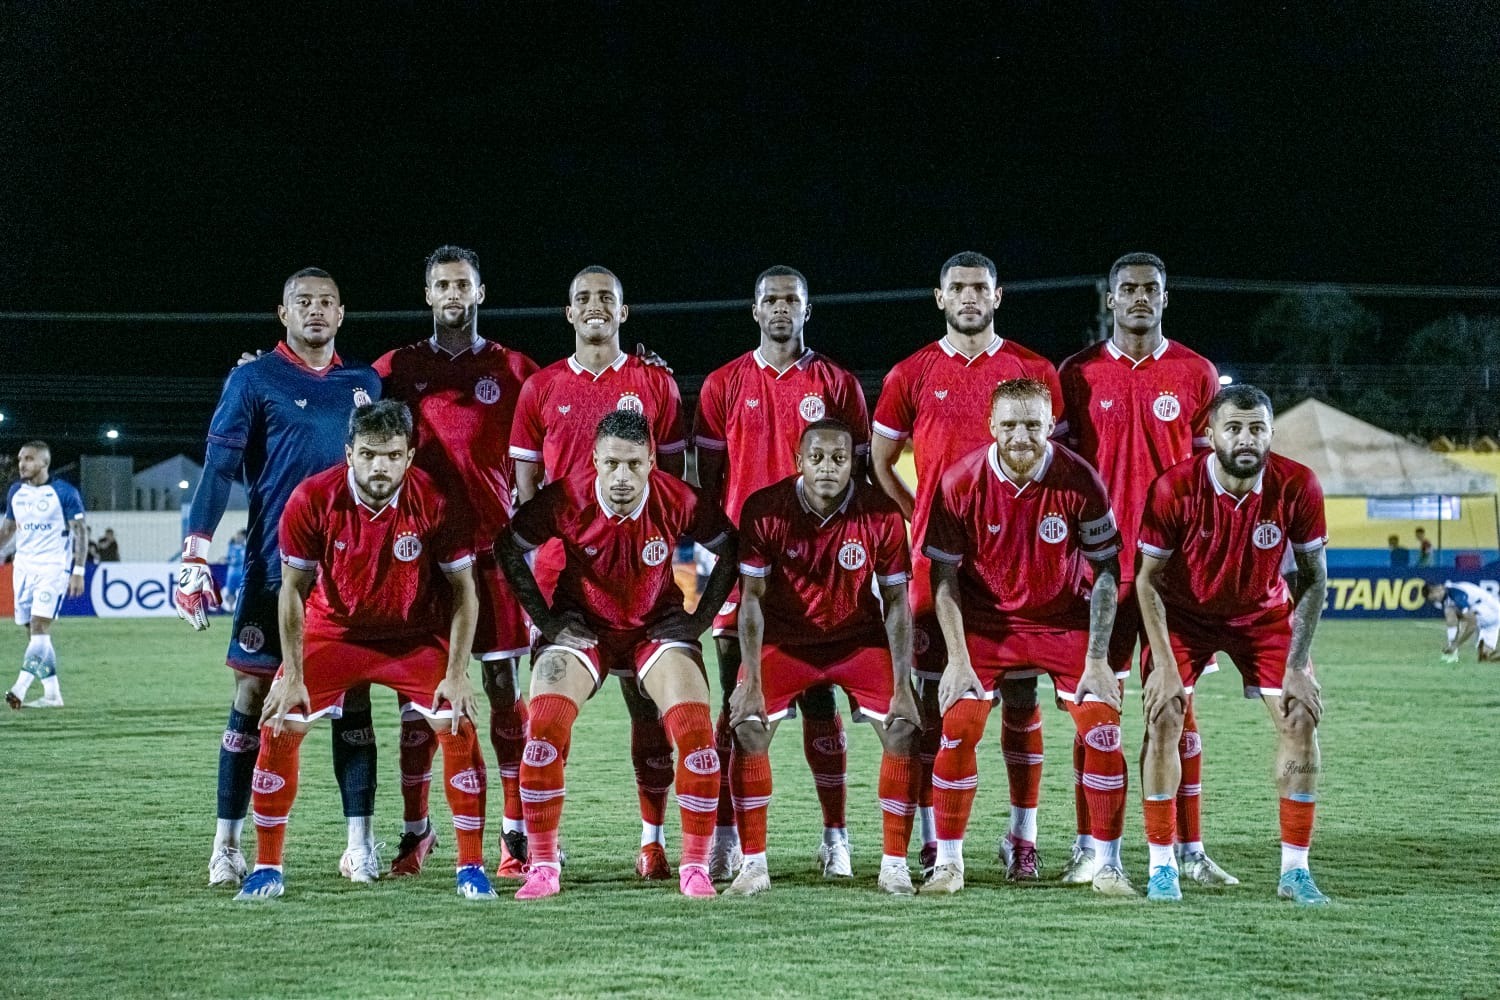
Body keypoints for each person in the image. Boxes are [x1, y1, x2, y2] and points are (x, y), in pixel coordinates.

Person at [236, 401, 495, 902]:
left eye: (393, 455)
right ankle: (267, 867)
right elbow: (291, 591)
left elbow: (465, 593)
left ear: (410, 455)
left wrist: (458, 673)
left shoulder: (436, 502)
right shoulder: (312, 499)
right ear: (349, 453)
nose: (381, 466)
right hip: (335, 633)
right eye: (370, 455)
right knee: (279, 722)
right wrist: (291, 672)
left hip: (412, 637)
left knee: (456, 721)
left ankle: (471, 867)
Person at [176, 267, 385, 890]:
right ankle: (227, 845)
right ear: (283, 313)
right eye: (303, 303)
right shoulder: (253, 378)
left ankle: (360, 845)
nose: (315, 312)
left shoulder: (364, 382)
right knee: (249, 701)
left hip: (350, 574)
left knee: (354, 700)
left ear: (342, 314)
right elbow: (218, 466)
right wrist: (195, 553)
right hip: (272, 569)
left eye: (326, 303)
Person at [869, 251, 1062, 879]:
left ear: (998, 295)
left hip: (1019, 563)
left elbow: (1055, 462)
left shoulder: (1032, 370)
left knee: (1021, 695)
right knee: (934, 698)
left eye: (981, 286)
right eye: (958, 287)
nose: (970, 295)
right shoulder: (911, 373)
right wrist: (918, 513)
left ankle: (1021, 836)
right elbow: (880, 461)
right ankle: (933, 840)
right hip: (940, 563)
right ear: (939, 296)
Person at [497, 410, 738, 899]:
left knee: (697, 738)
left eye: (633, 464)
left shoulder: (679, 500)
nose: (622, 477)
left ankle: (693, 868)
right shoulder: (566, 498)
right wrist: (546, 622)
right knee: (542, 733)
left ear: (652, 460)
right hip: (585, 630)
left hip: (654, 627)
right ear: (595, 461)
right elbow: (507, 546)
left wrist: (698, 619)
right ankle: (543, 865)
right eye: (611, 465)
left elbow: (730, 548)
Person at [1054, 252, 1233, 887]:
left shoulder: (1196, 372)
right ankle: (1089, 848)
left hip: (1173, 574)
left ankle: (1189, 849)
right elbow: (1060, 475)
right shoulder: (1074, 374)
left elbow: (1213, 475)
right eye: (1126, 288)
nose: (1137, 298)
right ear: (1108, 299)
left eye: (1149, 289)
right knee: (1094, 706)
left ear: (1166, 297)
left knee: (1177, 710)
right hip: (1096, 570)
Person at [508, 265, 690, 880]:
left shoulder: (655, 383)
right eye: (582, 298)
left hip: (643, 585)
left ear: (623, 310)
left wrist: (680, 590)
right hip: (569, 592)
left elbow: (672, 490)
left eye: (605, 299)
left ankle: (653, 841)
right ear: (568, 312)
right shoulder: (540, 388)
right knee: (548, 714)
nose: (594, 308)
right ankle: (539, 848)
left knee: (650, 712)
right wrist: (542, 605)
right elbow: (529, 494)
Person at [921, 378, 1132, 896]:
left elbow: (1106, 570)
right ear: (991, 426)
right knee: (960, 724)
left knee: (1103, 729)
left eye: (1033, 425)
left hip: (1061, 621)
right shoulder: (960, 481)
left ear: (1050, 426)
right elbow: (943, 578)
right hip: (987, 626)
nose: (1021, 436)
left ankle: (1108, 864)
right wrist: (957, 659)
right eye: (1010, 425)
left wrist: (1098, 660)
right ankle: (949, 865)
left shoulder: (1078, 479)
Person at [694, 265, 872, 879]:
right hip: (745, 569)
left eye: (790, 300)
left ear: (806, 308)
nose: (779, 309)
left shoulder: (838, 383)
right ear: (754, 308)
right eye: (769, 299)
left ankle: (835, 837)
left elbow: (862, 483)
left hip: (819, 572)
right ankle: (727, 835)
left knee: (821, 697)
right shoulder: (723, 385)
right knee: (734, 704)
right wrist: (699, 576)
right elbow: (707, 493)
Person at [373, 246, 540, 879]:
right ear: (427, 295)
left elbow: (578, 408)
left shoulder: (516, 368)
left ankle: (514, 833)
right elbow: (333, 387)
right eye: (440, 283)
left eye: (461, 284)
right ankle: (417, 832)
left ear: (479, 292)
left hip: (496, 555)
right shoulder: (395, 368)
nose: (451, 293)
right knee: (417, 702)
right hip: (420, 558)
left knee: (502, 690)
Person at [1135, 384, 1331, 904]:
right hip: (1183, 616)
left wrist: (1296, 666)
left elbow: (1314, 580)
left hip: (1262, 616)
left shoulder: (1298, 485)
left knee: (1300, 717)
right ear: (1211, 434)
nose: (1246, 438)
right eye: (1234, 428)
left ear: (1271, 433)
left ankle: (1295, 872)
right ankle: (1162, 867)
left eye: (1257, 428)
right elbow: (1146, 580)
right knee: (1164, 715)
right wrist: (1164, 668)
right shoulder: (1174, 488)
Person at [726, 419, 921, 895]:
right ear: (798, 462)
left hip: (857, 640)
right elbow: (751, 599)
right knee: (747, 726)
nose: (827, 468)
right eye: (816, 458)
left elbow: (897, 603)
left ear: (853, 462)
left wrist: (902, 684)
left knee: (902, 726)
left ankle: (894, 863)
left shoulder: (880, 514)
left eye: (838, 458)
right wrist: (750, 680)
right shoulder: (765, 508)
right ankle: (753, 865)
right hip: (786, 642)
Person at [3, 442, 86, 710]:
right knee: (33, 634)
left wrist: (78, 570)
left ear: (44, 463)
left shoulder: (64, 492)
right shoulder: (16, 492)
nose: (22, 464)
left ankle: (20, 688)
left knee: (39, 627)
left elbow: (81, 532)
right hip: (23, 567)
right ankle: (52, 695)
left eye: (28, 459)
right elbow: (7, 530)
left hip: (53, 568)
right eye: (20, 459)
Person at [1426, 581, 1500, 662]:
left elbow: (1472, 625)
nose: (1435, 600)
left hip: (1489, 610)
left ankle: (1452, 654)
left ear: (1439, 588)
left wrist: (1456, 645)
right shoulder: (1448, 593)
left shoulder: (1456, 595)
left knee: (1450, 611)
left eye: (1434, 597)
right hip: (1491, 617)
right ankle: (1454, 653)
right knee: (1485, 657)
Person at [222, 530, 247, 614]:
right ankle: (230, 608)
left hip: (242, 573)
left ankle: (242, 609)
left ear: (244, 537)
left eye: (241, 536)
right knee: (231, 592)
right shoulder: (231, 546)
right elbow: (229, 558)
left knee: (243, 592)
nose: (239, 538)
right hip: (232, 573)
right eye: (238, 536)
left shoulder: (245, 546)